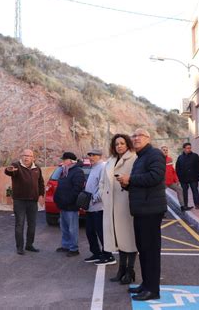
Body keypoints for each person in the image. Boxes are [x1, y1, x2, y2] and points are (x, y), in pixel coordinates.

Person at [117, 129, 166, 301]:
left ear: (148, 138)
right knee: (144, 250)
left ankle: (153, 290)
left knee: (151, 251)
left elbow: (155, 177)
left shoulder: (155, 154)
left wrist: (130, 179)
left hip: (151, 210)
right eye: (134, 135)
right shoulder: (140, 157)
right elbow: (140, 183)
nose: (136, 138)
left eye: (140, 135)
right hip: (142, 210)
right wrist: (126, 183)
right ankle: (146, 285)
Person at [99, 134, 137, 284]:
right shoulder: (110, 161)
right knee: (119, 239)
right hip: (111, 206)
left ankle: (130, 270)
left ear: (127, 144)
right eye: (116, 144)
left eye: (122, 143)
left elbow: (137, 180)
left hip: (126, 205)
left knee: (130, 239)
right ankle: (121, 270)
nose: (119, 146)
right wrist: (103, 195)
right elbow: (102, 182)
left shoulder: (134, 159)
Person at [5, 149, 45, 255]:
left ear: (33, 158)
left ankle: (29, 245)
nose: (26, 158)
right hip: (20, 201)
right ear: (21, 156)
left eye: (29, 156)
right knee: (20, 224)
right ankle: (19, 247)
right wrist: (9, 170)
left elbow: (41, 182)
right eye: (24, 155)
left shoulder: (37, 168)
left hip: (33, 201)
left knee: (32, 225)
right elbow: (9, 171)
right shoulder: (16, 166)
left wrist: (41, 195)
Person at [83, 149, 115, 265]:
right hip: (90, 207)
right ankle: (96, 253)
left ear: (99, 156)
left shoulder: (103, 167)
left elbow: (105, 187)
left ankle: (108, 255)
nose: (90, 157)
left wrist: (94, 199)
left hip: (99, 207)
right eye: (89, 155)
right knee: (90, 232)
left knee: (102, 232)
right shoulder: (94, 167)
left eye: (93, 155)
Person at [54, 152, 86, 257]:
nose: (63, 161)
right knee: (64, 227)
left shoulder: (77, 172)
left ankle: (74, 249)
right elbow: (60, 186)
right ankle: (66, 246)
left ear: (70, 160)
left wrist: (68, 200)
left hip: (71, 205)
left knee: (72, 229)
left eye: (64, 160)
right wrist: (57, 198)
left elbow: (77, 188)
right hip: (63, 205)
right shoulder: (65, 171)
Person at [160, 146, 191, 211]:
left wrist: (176, 180)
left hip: (171, 181)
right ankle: (162, 211)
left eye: (166, 150)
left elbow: (172, 170)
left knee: (179, 189)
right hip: (162, 182)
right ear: (161, 151)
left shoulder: (170, 159)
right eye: (164, 150)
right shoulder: (158, 160)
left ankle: (182, 206)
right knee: (161, 196)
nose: (165, 151)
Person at [176, 143, 199, 209]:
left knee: (195, 191)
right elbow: (177, 168)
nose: (189, 149)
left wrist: (197, 175)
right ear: (184, 149)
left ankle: (197, 205)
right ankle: (185, 205)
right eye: (187, 148)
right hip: (183, 178)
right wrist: (179, 176)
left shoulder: (195, 156)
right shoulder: (180, 157)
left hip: (193, 178)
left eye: (190, 148)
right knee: (184, 192)